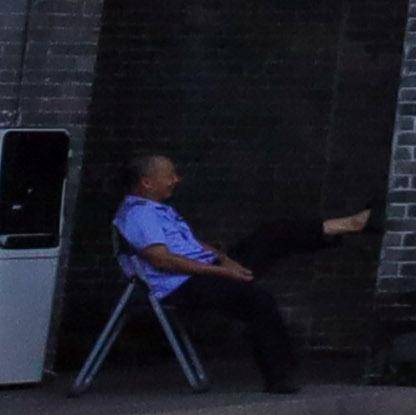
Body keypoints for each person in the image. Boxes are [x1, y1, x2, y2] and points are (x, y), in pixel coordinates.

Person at [104, 154, 368, 394]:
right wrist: (219, 271)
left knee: (271, 234)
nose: (176, 180)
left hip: (206, 269)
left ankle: (343, 226)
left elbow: (193, 245)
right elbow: (163, 261)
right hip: (183, 285)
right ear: (147, 183)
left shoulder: (160, 210)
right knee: (258, 300)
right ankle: (279, 376)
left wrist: (225, 260)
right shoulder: (139, 215)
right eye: (169, 175)